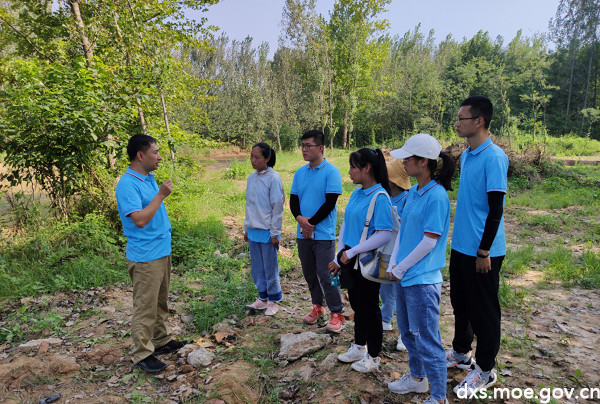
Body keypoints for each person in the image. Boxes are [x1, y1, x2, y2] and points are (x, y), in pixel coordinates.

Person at [386, 133, 455, 404]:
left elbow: (429, 240)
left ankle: (439, 397)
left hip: (422, 279)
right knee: (407, 331)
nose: (403, 162)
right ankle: (417, 379)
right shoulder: (415, 191)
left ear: (423, 162)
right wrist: (394, 263)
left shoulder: (437, 196)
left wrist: (401, 267)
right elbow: (403, 230)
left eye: (408, 158)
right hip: (405, 274)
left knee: (427, 339)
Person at [448, 96, 509, 396]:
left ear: (479, 121)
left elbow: (496, 209)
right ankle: (461, 353)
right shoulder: (468, 154)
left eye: (462, 118)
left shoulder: (494, 157)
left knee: (484, 311)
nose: (457, 123)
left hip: (483, 251)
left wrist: (484, 251)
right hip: (461, 247)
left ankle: (485, 370)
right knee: (461, 304)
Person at [115, 134, 186, 373]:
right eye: (155, 152)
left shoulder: (149, 178)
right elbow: (140, 220)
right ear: (140, 155)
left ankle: (162, 340)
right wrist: (161, 195)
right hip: (145, 256)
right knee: (145, 306)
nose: (160, 156)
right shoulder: (127, 184)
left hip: (161, 250)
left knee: (160, 301)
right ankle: (142, 354)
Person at [329, 148, 393, 373]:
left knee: (369, 308)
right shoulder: (357, 194)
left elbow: (384, 233)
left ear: (367, 169)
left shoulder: (380, 197)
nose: (349, 172)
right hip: (350, 260)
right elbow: (346, 225)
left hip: (365, 262)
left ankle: (374, 356)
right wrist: (340, 256)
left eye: (353, 167)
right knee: (357, 305)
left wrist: (353, 251)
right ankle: (359, 345)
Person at [290, 130, 344, 333]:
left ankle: (337, 313)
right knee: (309, 272)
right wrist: (299, 220)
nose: (304, 149)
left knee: (328, 273)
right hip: (302, 233)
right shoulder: (299, 172)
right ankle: (317, 306)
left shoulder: (331, 172)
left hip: (323, 234)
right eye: (302, 145)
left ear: (320, 148)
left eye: (308, 146)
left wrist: (309, 224)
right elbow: (294, 200)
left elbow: (330, 202)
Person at [244, 142, 284, 317]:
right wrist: (246, 227)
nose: (253, 160)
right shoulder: (251, 178)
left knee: (270, 268)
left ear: (267, 158)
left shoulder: (273, 178)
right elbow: (249, 205)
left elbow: (277, 207)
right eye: (251, 156)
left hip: (267, 232)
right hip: (253, 230)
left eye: (257, 157)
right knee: (257, 268)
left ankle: (274, 300)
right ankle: (262, 298)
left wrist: (275, 233)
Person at [380, 159, 411, 352]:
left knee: (403, 294)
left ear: (392, 181)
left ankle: (404, 333)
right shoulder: (384, 197)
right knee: (385, 287)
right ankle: (385, 318)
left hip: (402, 252)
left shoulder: (408, 200)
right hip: (385, 250)